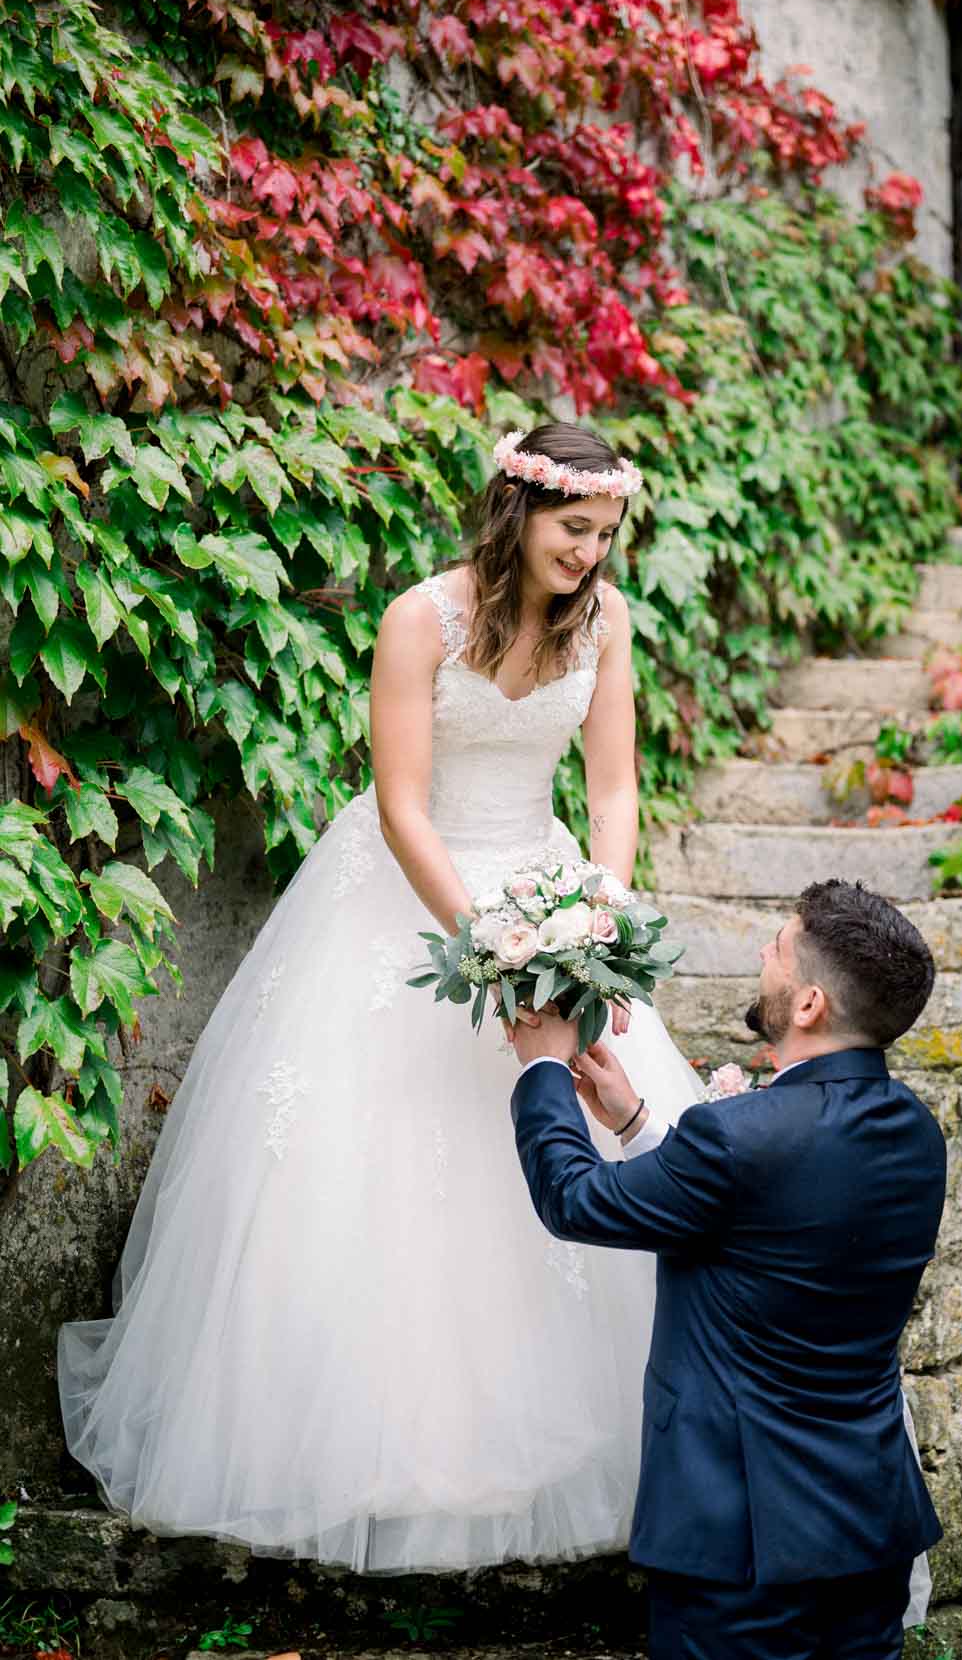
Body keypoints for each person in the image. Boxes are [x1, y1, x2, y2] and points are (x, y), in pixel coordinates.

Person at [58, 422, 703, 1573]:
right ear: (516, 510)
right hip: (418, 892)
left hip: (548, 883)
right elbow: (402, 802)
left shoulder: (606, 622)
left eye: (605, 536)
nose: (589, 555)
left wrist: (593, 910)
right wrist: (488, 944)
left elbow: (614, 783)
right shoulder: (422, 619)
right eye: (572, 530)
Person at [510, 877, 947, 1660]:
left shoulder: (734, 1137)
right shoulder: (917, 1134)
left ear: (809, 1004)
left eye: (777, 949)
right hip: (868, 1532)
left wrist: (542, 1069)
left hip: (738, 1550)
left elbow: (574, 1200)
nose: (761, 956)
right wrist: (639, 1123)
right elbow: (763, 1230)